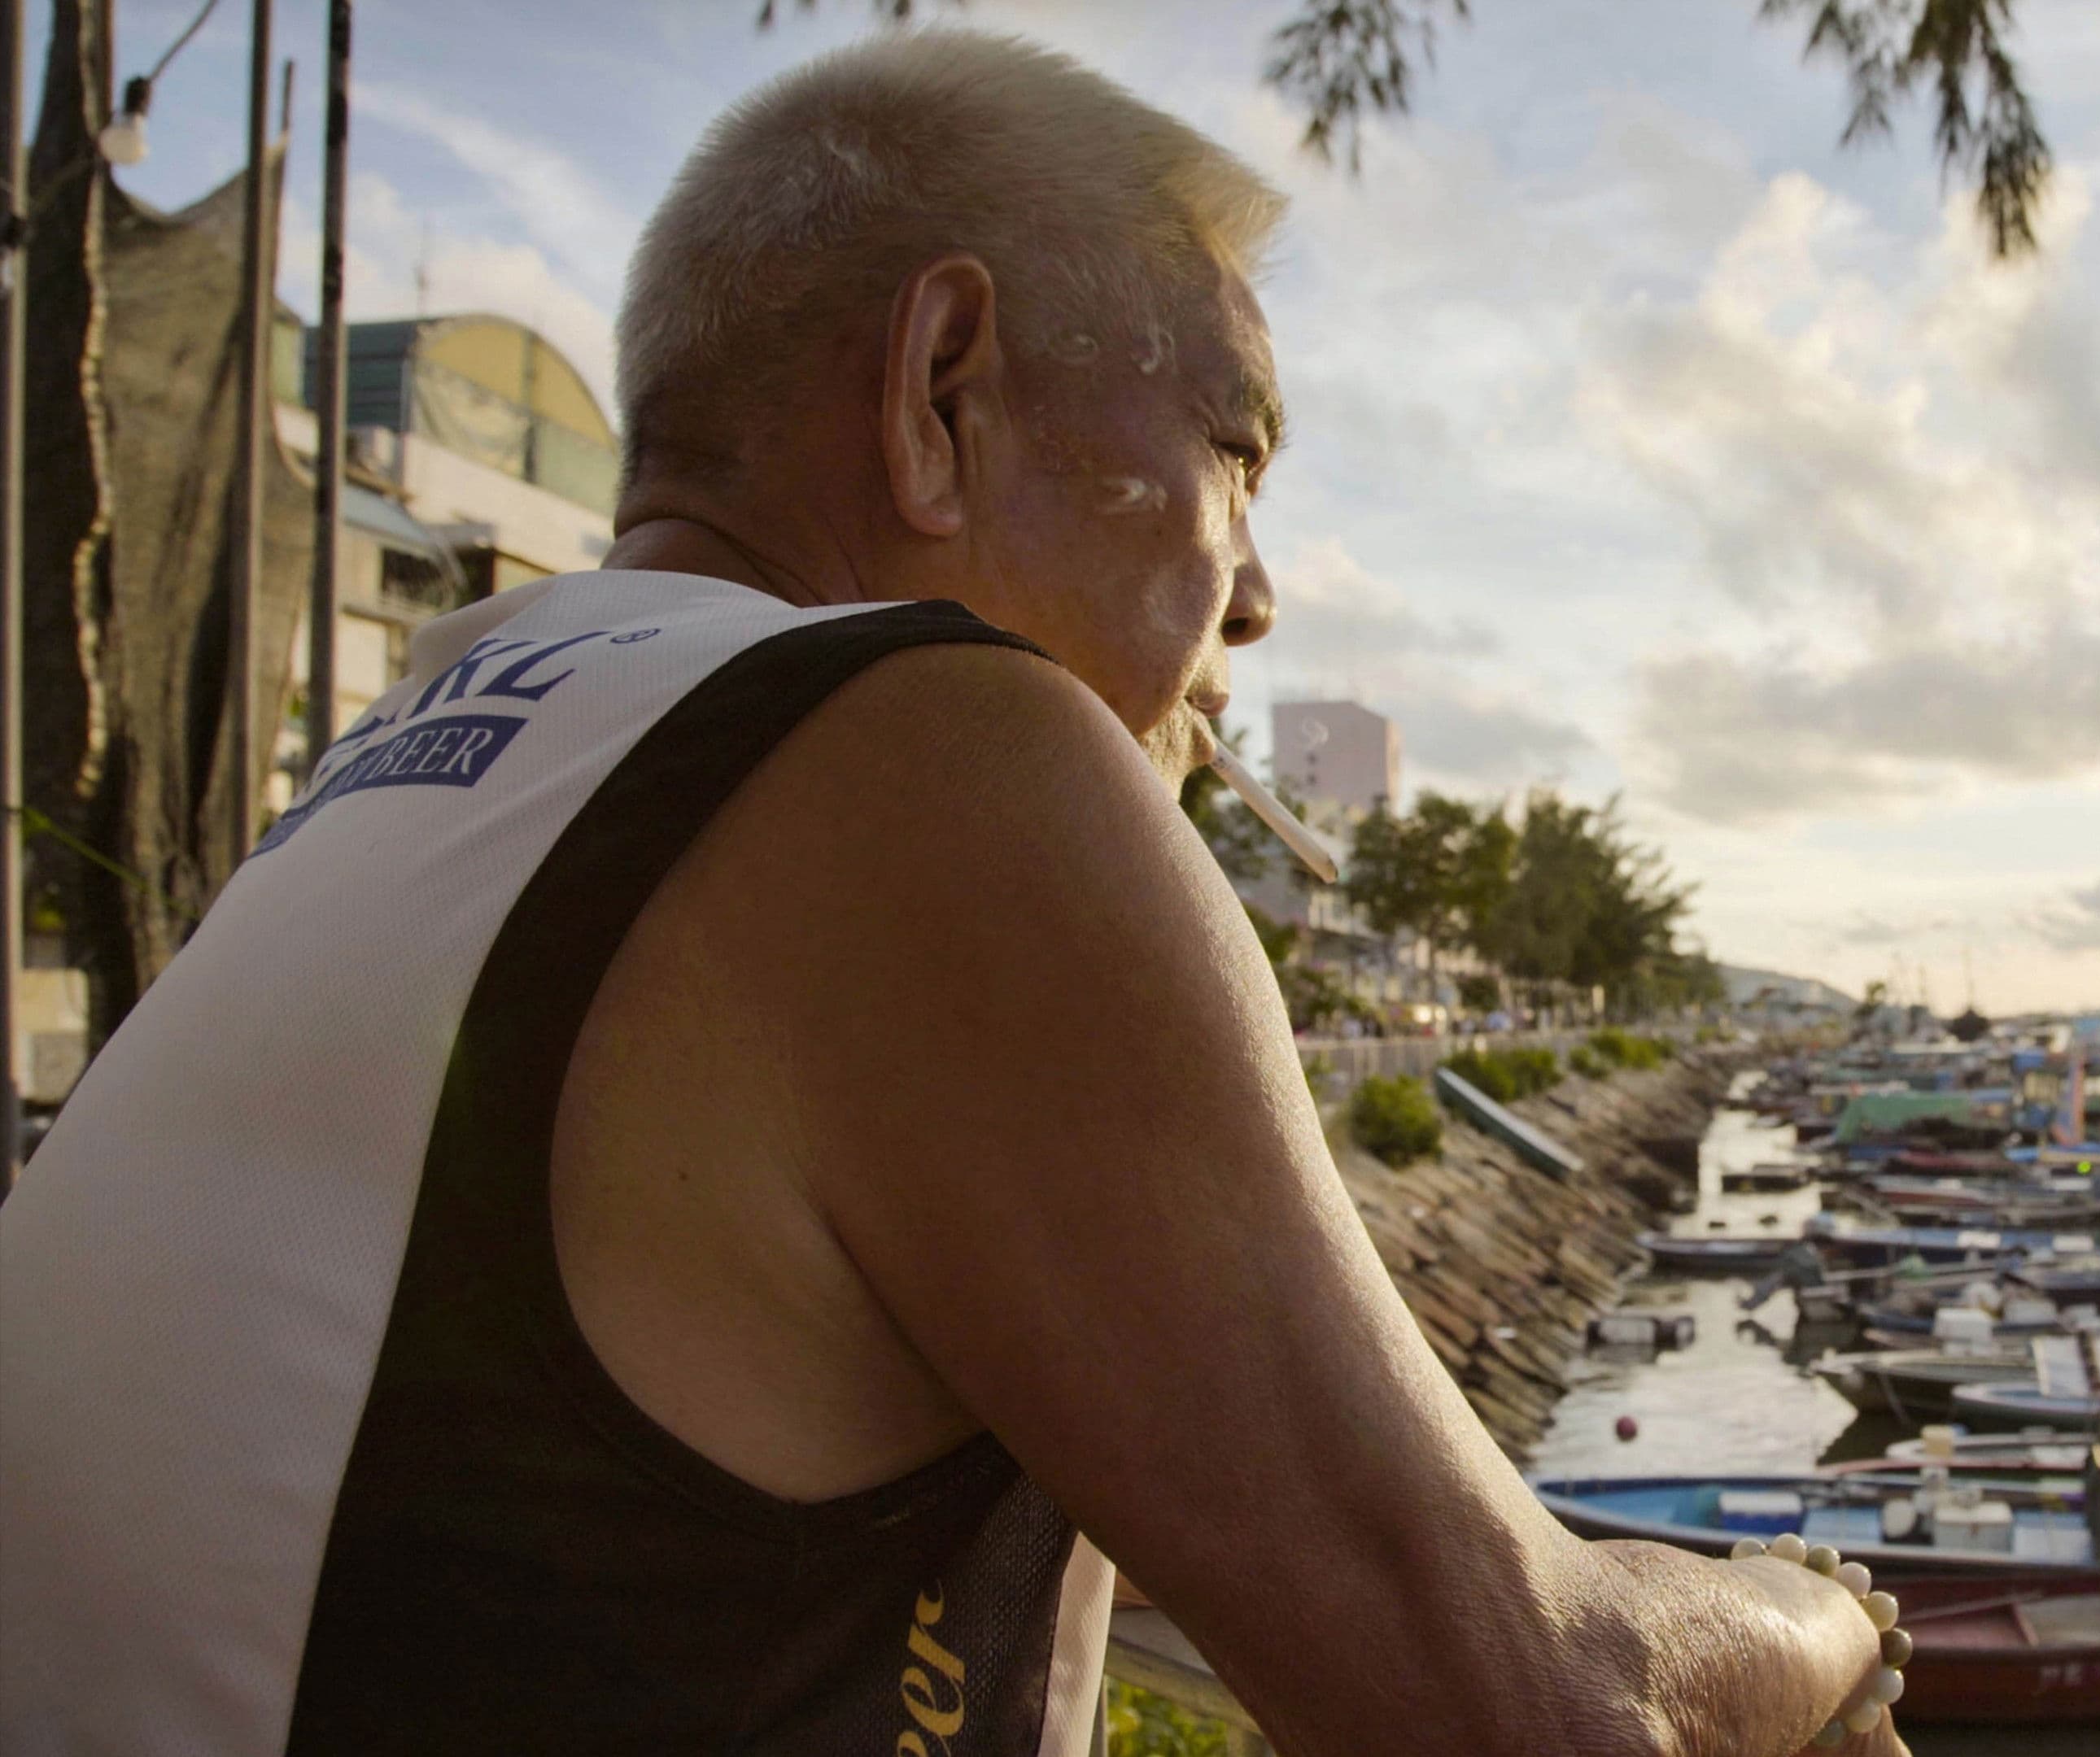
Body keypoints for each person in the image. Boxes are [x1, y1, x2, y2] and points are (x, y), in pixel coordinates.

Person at [0, 33, 1904, 1757]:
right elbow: (1541, 1706)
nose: (1256, 597)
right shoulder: (929, 744)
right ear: (941, 389)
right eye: (1234, 449)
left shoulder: (435, 754)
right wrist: (1821, 1617)